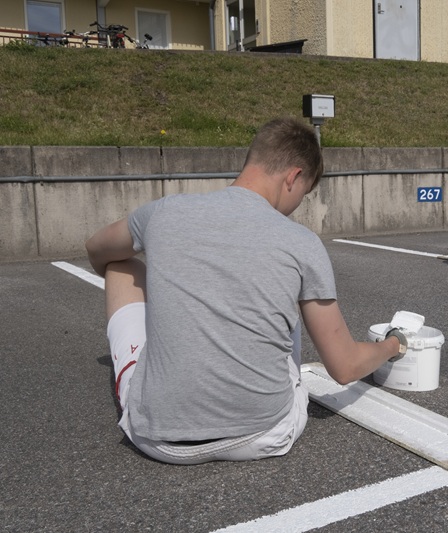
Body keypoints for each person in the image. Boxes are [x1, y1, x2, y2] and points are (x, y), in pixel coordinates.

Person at [85, 117, 408, 465]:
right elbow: (344, 367)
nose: (299, 203)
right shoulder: (301, 242)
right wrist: (393, 345)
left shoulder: (163, 212)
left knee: (120, 266)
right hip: (265, 434)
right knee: (288, 294)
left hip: (158, 438)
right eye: (305, 194)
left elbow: (97, 249)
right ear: (294, 177)